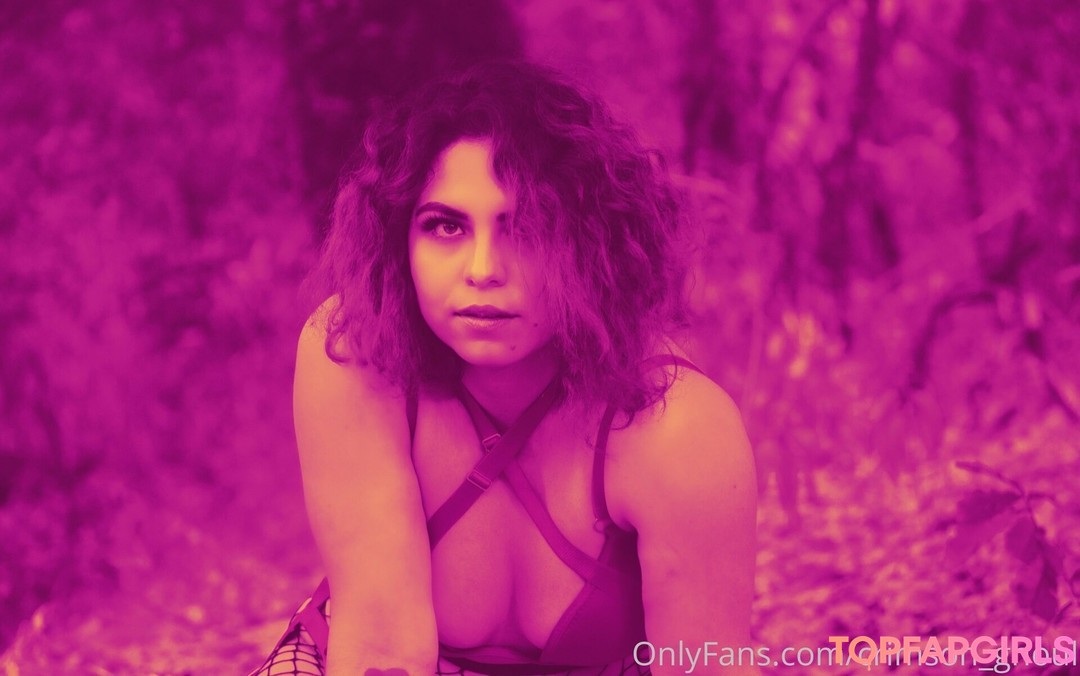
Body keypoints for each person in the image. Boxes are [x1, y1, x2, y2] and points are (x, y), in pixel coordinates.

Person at [251, 61, 758, 676]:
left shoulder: (677, 427)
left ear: (591, 244)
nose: (483, 270)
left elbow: (705, 667)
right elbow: (382, 648)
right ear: (399, 240)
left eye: (525, 227)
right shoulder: (356, 351)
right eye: (446, 226)